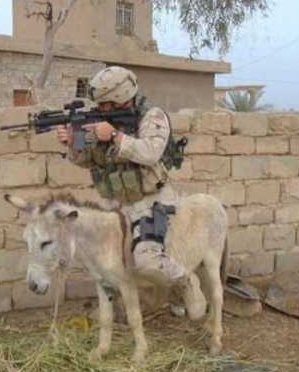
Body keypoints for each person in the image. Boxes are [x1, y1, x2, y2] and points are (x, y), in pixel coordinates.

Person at [57, 66, 206, 317]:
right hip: (116, 202)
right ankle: (121, 305)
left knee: (147, 259)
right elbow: (87, 161)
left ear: (121, 96)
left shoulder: (151, 116)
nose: (101, 108)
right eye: (99, 104)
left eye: (105, 103)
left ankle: (186, 282)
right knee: (108, 258)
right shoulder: (101, 120)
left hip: (151, 199)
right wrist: (73, 145)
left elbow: (150, 153)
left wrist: (114, 136)